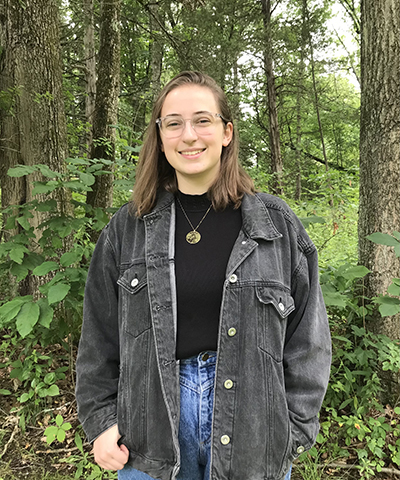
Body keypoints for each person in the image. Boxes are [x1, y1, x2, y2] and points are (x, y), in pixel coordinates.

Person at [75, 71, 331, 480]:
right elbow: (99, 337)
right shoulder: (128, 229)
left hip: (253, 432)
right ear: (160, 137)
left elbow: (309, 340)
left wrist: (294, 429)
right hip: (149, 432)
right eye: (173, 123)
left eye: (202, 120)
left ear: (226, 132)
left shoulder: (276, 226)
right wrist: (102, 422)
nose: (188, 135)